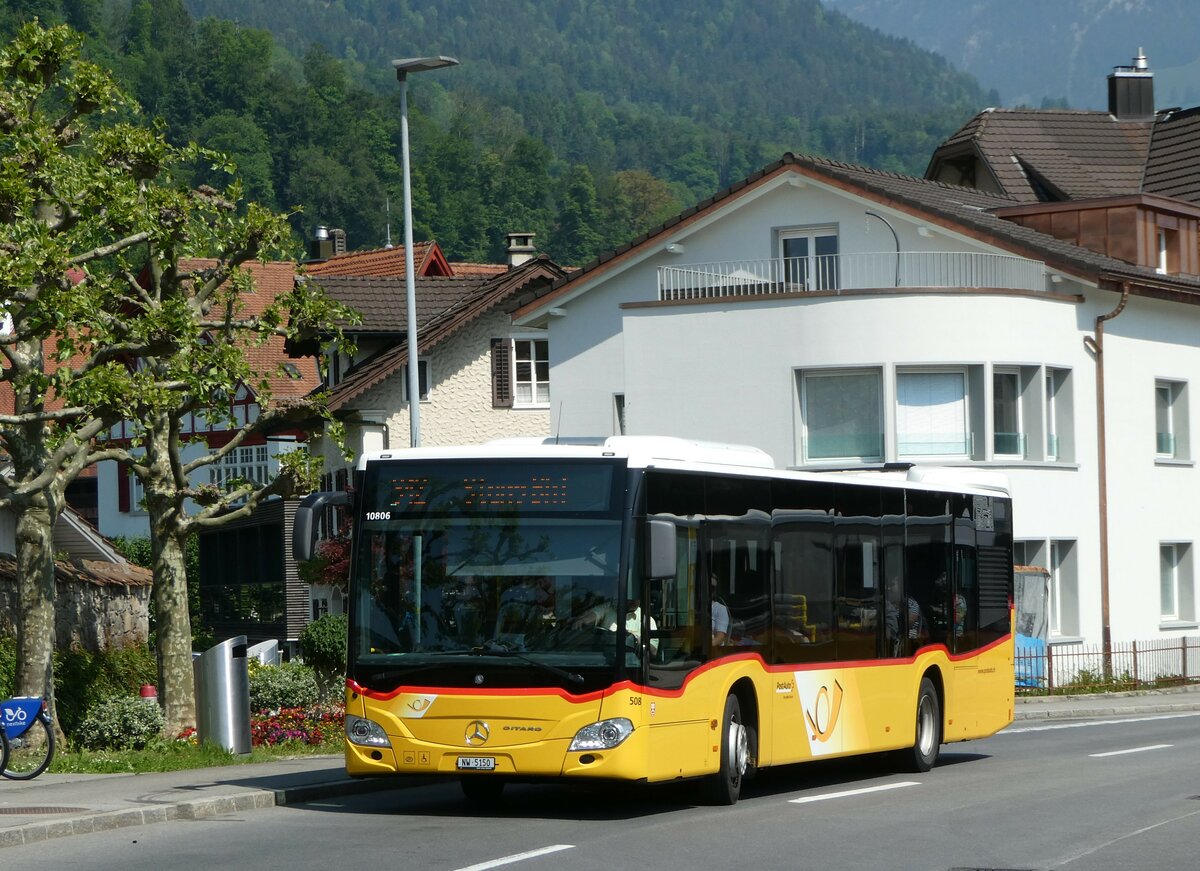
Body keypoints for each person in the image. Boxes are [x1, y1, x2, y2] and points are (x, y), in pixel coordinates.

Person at [711, 575, 731, 644]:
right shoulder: (694, 608)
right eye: (709, 586)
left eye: (713, 588)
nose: (710, 590)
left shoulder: (720, 609)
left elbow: (720, 637)